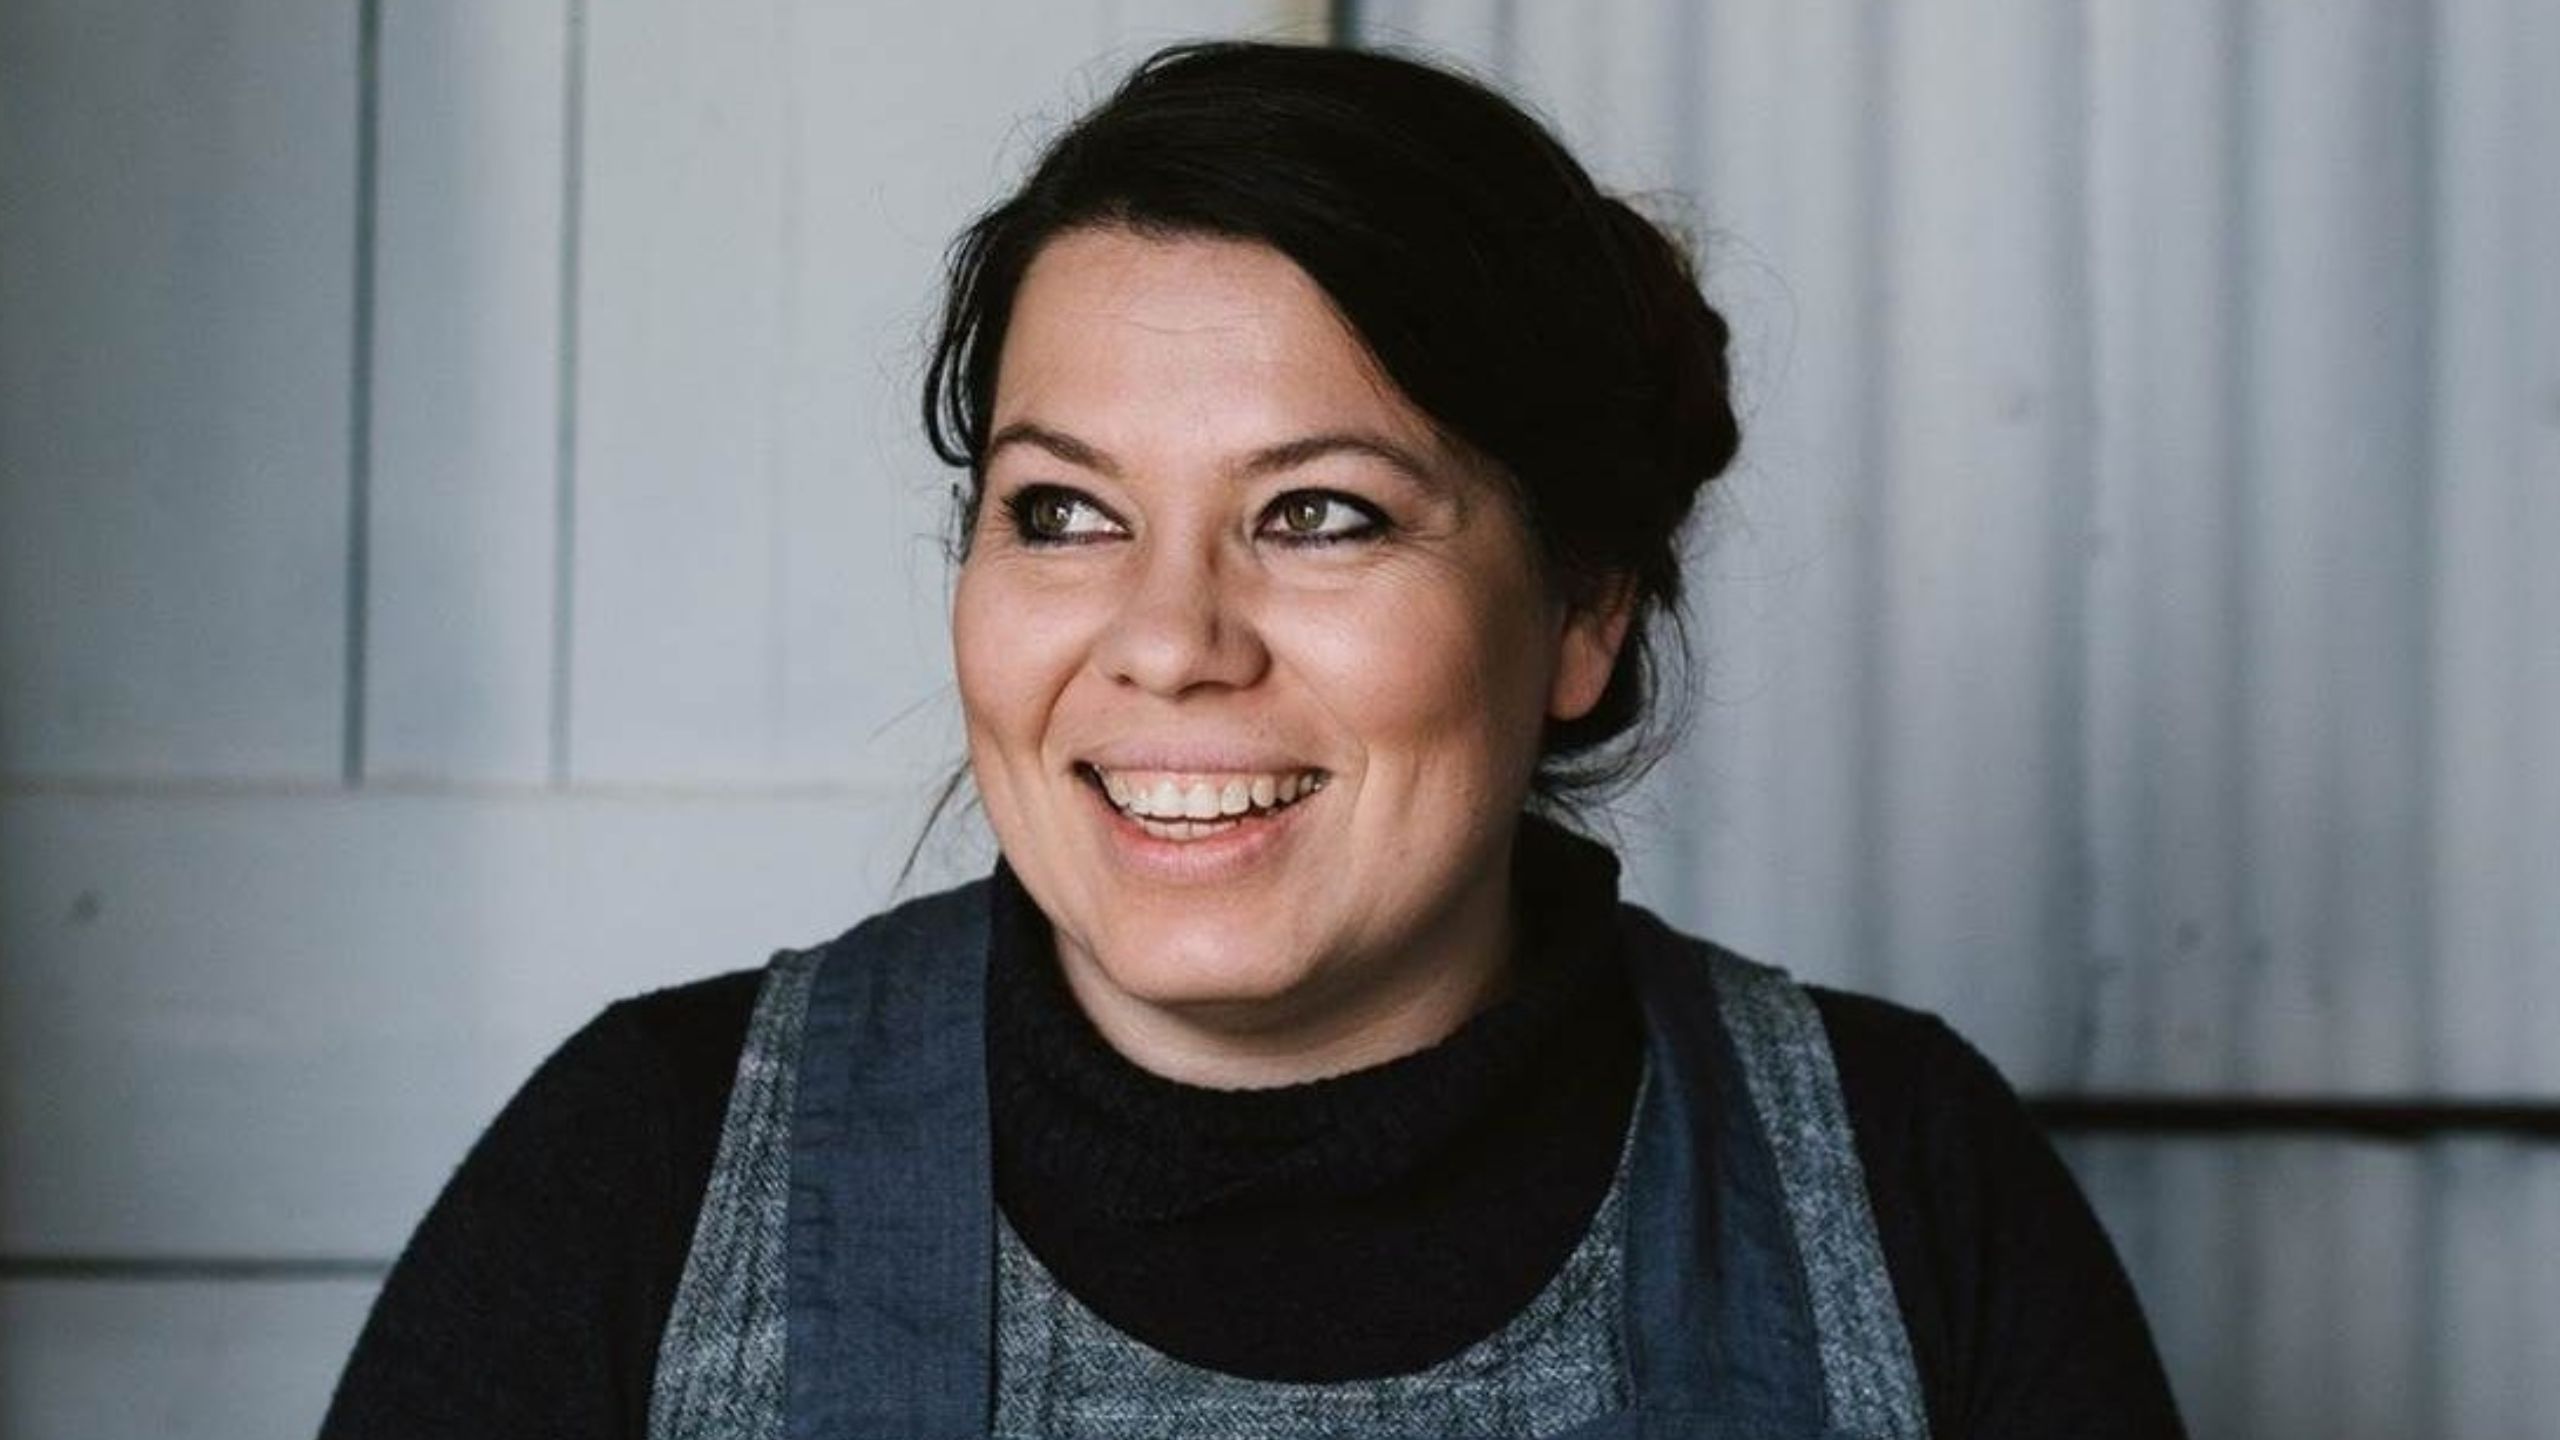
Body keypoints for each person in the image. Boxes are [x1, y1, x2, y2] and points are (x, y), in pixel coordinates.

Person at [323, 41, 2184, 1440]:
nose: (1168, 643)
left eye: (1320, 514)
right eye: (1065, 513)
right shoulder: (640, 1174)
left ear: (1585, 609)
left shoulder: (1899, 1183)